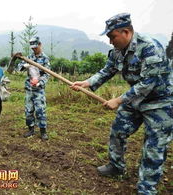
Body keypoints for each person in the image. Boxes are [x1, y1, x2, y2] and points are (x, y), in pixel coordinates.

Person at [71, 13, 173, 194]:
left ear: (126, 32)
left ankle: (147, 188)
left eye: (112, 37)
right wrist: (88, 82)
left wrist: (118, 100)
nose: (110, 42)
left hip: (160, 102)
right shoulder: (119, 50)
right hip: (135, 100)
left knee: (154, 146)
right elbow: (107, 70)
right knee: (118, 131)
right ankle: (116, 166)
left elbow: (147, 84)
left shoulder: (150, 48)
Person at [17, 36, 50, 140]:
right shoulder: (28, 57)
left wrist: (40, 82)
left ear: (40, 44)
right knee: (28, 110)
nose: (34, 49)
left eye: (36, 47)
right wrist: (24, 66)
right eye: (32, 48)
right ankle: (30, 129)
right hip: (29, 88)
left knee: (40, 110)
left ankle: (43, 131)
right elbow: (19, 68)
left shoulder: (45, 58)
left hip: (39, 89)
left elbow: (47, 74)